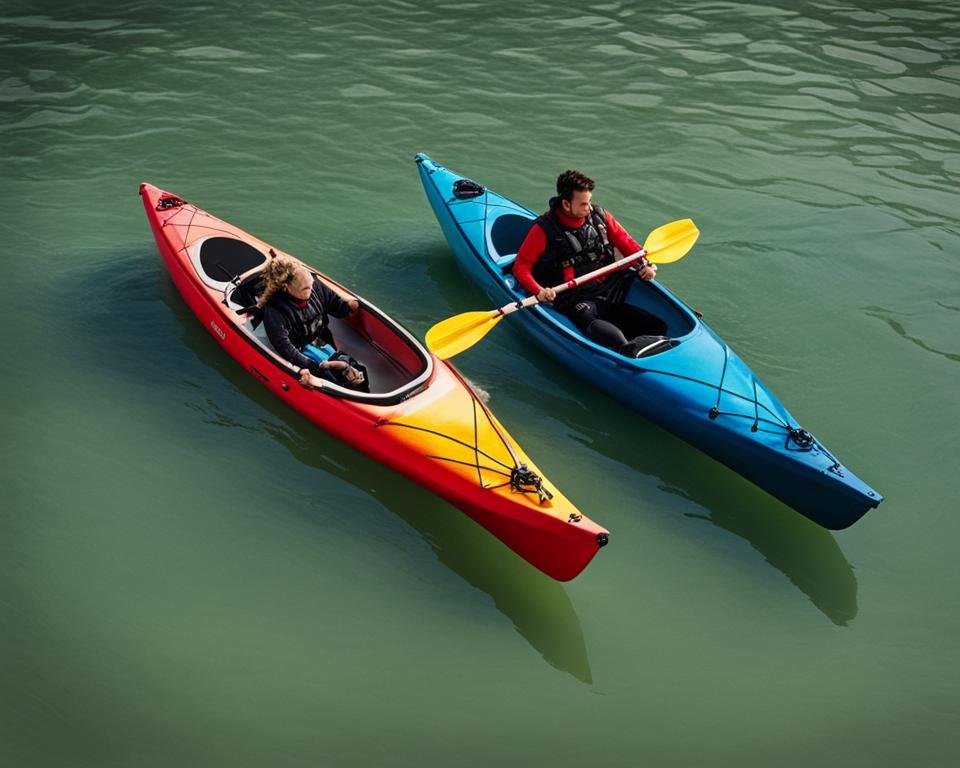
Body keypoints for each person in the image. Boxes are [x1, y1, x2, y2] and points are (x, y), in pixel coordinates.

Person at [512, 169, 667, 355]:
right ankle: (625, 350)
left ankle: (653, 345)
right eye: (584, 204)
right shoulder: (544, 229)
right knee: (586, 315)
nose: (589, 208)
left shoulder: (599, 216)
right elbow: (521, 266)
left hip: (606, 290)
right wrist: (539, 290)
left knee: (657, 325)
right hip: (571, 297)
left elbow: (627, 243)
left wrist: (643, 264)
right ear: (566, 204)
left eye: (590, 201)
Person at [257, 255, 366, 389]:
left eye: (311, 285)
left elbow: (334, 303)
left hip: (321, 341)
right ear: (286, 287)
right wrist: (309, 367)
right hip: (301, 351)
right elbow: (284, 347)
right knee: (338, 383)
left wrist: (348, 307)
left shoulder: (313, 284)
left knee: (358, 373)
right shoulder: (275, 311)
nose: (311, 290)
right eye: (305, 289)